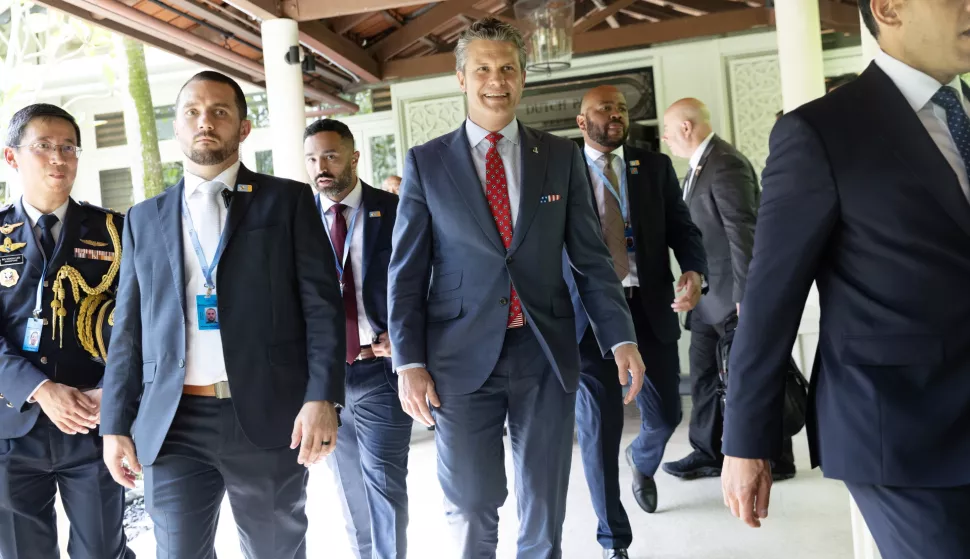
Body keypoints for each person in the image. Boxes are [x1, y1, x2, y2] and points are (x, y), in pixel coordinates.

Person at [388, 17, 646, 558]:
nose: (495, 80)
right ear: (461, 77)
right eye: (482, 68)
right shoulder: (426, 163)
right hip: (456, 362)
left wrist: (620, 337)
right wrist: (408, 361)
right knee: (471, 501)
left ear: (523, 78)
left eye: (507, 68)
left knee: (543, 502)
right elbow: (406, 273)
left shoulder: (559, 156)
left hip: (544, 353)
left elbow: (591, 260)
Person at [721, 2, 970, 557]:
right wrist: (746, 442)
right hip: (900, 428)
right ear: (888, 9)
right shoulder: (820, 132)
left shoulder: (963, 115)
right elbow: (769, 298)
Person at [100, 71, 346, 559]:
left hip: (267, 414)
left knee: (277, 550)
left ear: (244, 127)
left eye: (219, 112)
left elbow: (323, 309)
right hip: (174, 422)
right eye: (192, 111)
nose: (204, 122)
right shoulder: (143, 218)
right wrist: (114, 423)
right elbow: (128, 329)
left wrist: (323, 397)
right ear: (176, 127)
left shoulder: (288, 201)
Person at [570, 86, 707, 559]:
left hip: (648, 310)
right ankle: (614, 541)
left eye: (622, 109)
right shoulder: (561, 169)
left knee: (667, 414)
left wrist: (694, 270)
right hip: (588, 321)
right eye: (604, 109)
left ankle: (642, 460)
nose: (615, 115)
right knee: (599, 431)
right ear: (582, 122)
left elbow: (683, 230)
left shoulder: (653, 168)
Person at [0, 103, 133, 558]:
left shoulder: (116, 231)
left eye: (68, 148)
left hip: (93, 424)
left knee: (103, 551)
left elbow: (140, 325)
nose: (58, 157)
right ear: (12, 157)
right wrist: (40, 388)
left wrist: (110, 392)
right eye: (43, 147)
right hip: (11, 427)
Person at [659, 98, 797, 482]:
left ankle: (777, 459)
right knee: (705, 376)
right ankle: (707, 452)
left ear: (686, 128)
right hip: (707, 297)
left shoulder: (725, 163)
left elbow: (743, 234)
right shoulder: (696, 168)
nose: (666, 138)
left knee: (750, 378)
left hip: (732, 297)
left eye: (668, 131)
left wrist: (748, 298)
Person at [304, 118, 411, 559]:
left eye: (330, 155)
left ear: (354, 157)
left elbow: (424, 283)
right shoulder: (299, 219)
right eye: (312, 158)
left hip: (381, 371)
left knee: (384, 484)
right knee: (348, 487)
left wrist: (406, 342)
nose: (321, 167)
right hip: (327, 380)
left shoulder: (396, 209)